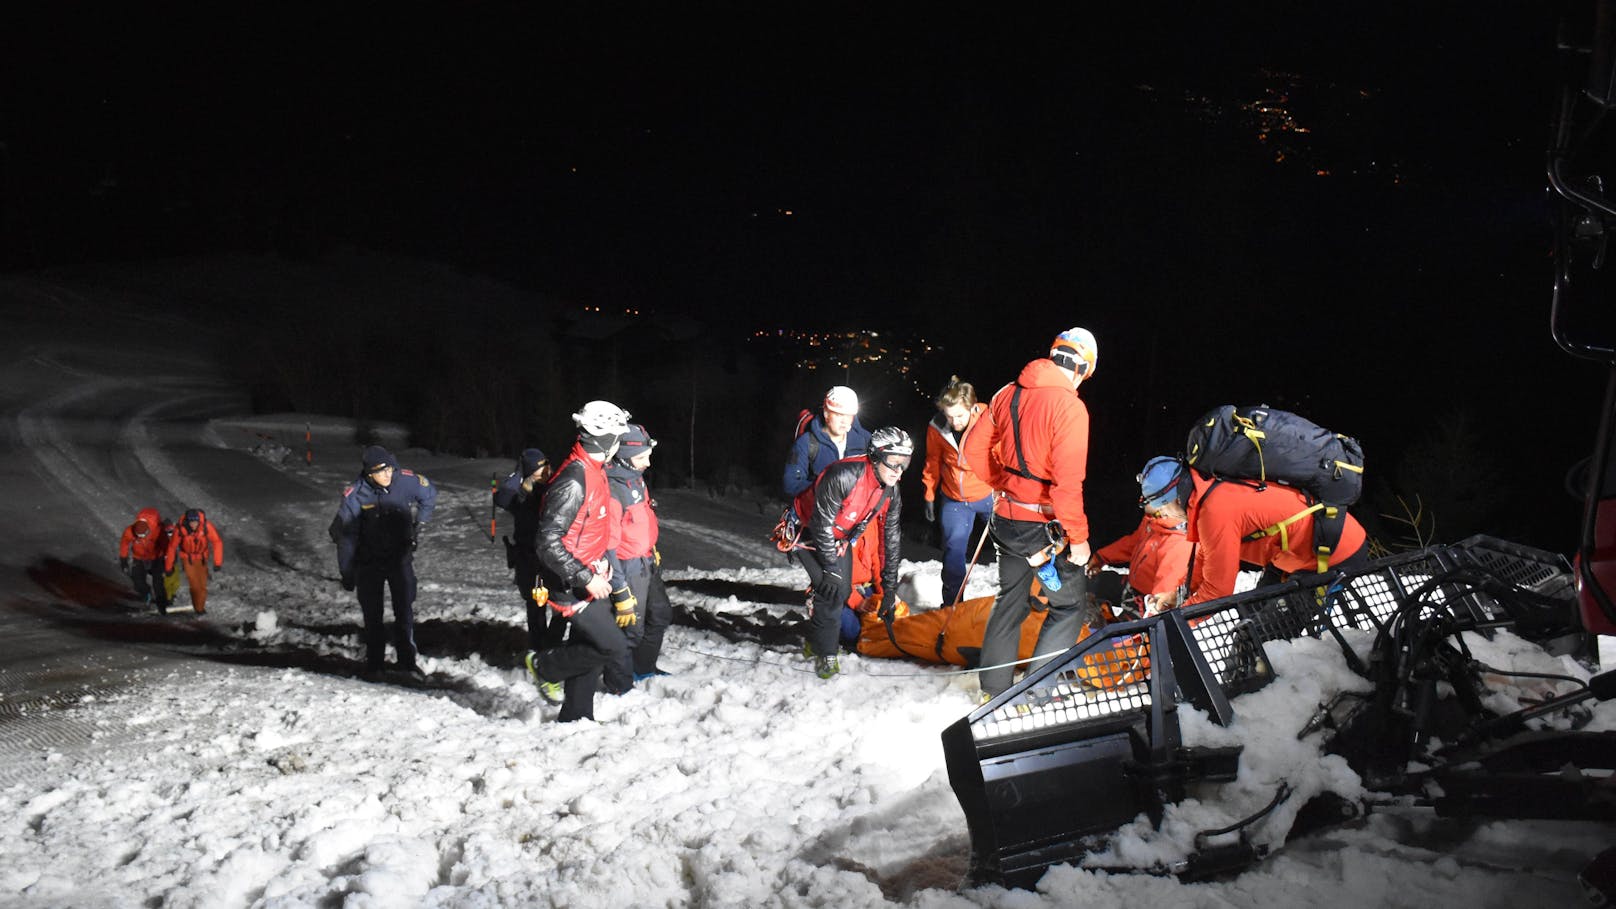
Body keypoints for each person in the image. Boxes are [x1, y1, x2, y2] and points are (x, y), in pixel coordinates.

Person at [961, 326, 1100, 700]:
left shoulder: (1008, 393)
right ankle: (1037, 693)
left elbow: (972, 449)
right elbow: (1068, 485)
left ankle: (993, 690)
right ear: (1083, 367)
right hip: (1044, 528)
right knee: (1068, 606)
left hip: (1007, 520)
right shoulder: (1071, 407)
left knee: (1010, 601)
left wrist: (1002, 482)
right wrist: (1080, 539)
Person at [526, 401, 633, 721]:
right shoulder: (574, 479)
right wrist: (585, 576)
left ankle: (576, 718)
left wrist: (600, 562)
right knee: (613, 646)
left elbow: (586, 528)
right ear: (605, 439)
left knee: (591, 645)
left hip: (587, 576)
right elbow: (547, 542)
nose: (619, 443)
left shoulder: (594, 470)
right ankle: (544, 666)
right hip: (567, 584)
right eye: (617, 437)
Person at [800, 426, 910, 679]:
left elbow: (890, 541)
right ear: (875, 456)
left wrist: (890, 591)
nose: (898, 471)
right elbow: (820, 524)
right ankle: (827, 656)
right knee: (833, 589)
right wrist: (829, 568)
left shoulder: (890, 489)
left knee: (838, 590)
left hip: (840, 536)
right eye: (893, 463)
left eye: (904, 463)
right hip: (808, 529)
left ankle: (815, 642)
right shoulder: (844, 475)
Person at [1180, 464, 1370, 607]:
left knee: (1260, 639)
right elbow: (1208, 553)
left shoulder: (1214, 514)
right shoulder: (1218, 492)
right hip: (1304, 553)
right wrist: (1181, 594)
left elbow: (1218, 591)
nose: (1162, 514)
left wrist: (1178, 621)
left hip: (1334, 555)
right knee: (1251, 617)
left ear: (1174, 500)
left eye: (1160, 507)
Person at [331, 445, 438, 677]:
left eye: (389, 468)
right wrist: (347, 572)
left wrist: (421, 524)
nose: (387, 475)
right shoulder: (356, 494)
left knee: (404, 610)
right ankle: (375, 663)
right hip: (369, 562)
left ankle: (407, 662)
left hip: (399, 560)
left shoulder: (405, 481)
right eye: (380, 471)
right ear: (369, 474)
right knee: (373, 614)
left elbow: (429, 495)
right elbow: (346, 538)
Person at [605, 423, 675, 685]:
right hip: (627, 566)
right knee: (630, 630)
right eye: (641, 457)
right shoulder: (612, 489)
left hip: (647, 559)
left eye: (648, 455)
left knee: (660, 614)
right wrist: (620, 590)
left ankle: (643, 668)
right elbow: (609, 545)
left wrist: (651, 548)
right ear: (622, 456)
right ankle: (617, 683)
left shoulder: (635, 477)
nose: (647, 462)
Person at [1087, 456, 1195, 618]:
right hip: (1131, 586)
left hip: (1144, 602)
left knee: (1116, 637)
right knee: (1089, 585)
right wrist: (1101, 557)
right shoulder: (1154, 522)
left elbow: (1163, 595)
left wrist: (1151, 616)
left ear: (1166, 503)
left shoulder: (1178, 545)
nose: (1143, 503)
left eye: (1148, 500)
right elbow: (1133, 542)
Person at [921, 376, 995, 607]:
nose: (954, 422)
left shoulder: (988, 419)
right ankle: (953, 605)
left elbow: (1004, 454)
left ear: (972, 407)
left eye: (959, 416)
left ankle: (1020, 597)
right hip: (955, 499)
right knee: (954, 551)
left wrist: (1007, 488)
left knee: (1011, 544)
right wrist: (929, 495)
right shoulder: (936, 427)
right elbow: (932, 461)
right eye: (949, 416)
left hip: (987, 495)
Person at [494, 447, 559, 653]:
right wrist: (520, 473)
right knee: (535, 607)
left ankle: (553, 645)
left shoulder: (555, 487)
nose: (547, 470)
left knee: (562, 606)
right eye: (541, 468)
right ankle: (539, 650)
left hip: (554, 557)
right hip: (529, 558)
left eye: (547, 465)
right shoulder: (521, 493)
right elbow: (502, 498)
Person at [782, 385, 872, 498]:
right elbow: (791, 485)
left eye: (849, 416)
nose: (844, 421)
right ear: (826, 413)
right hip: (819, 510)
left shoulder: (865, 440)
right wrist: (828, 488)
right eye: (839, 415)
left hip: (854, 511)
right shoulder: (806, 443)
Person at [164, 508, 223, 615]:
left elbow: (217, 542)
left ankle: (199, 606)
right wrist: (168, 566)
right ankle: (199, 609)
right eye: (191, 522)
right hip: (188, 558)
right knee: (195, 585)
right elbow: (172, 547)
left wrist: (217, 562)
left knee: (202, 586)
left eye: (195, 522)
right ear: (187, 521)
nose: (193, 525)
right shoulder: (180, 529)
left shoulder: (206, 526)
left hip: (202, 558)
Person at [119, 507, 171, 613]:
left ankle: (162, 603)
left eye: (144, 535)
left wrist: (168, 562)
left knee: (158, 583)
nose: (142, 538)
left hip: (157, 558)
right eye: (139, 537)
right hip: (139, 558)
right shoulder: (129, 531)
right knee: (137, 580)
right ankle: (146, 595)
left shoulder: (158, 531)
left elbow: (167, 546)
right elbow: (124, 544)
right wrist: (123, 560)